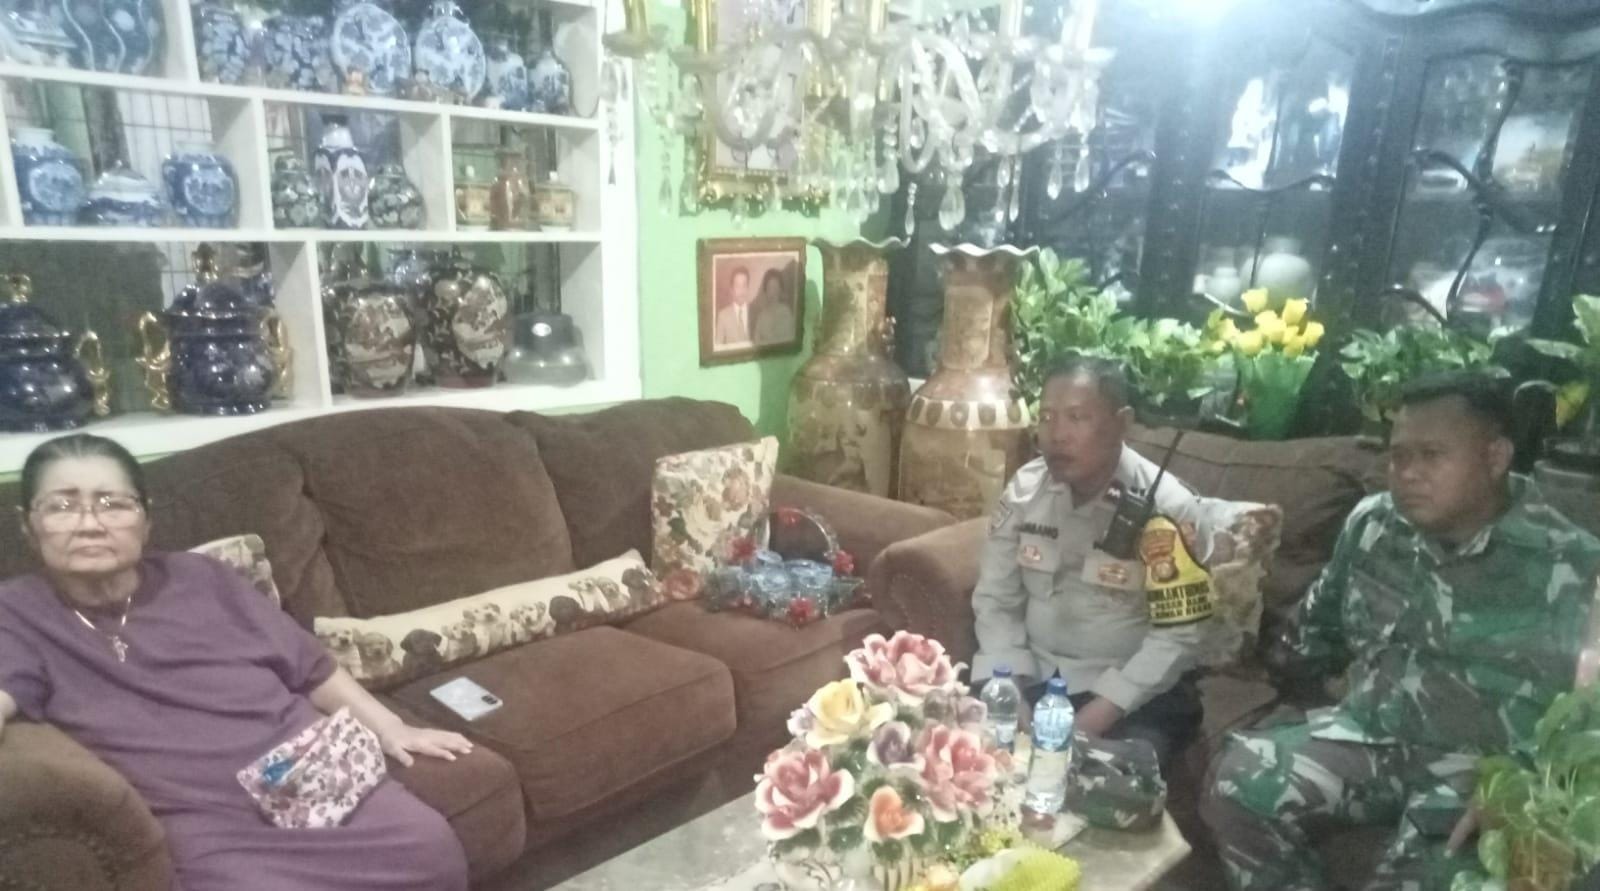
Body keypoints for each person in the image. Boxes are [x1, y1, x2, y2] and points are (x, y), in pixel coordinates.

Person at [0, 434, 473, 891]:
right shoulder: (16, 612)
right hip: (199, 812)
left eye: (113, 504)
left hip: (304, 770)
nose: (89, 523)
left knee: (429, 849)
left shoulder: (201, 578)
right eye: (61, 506)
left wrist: (392, 728)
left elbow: (311, 668)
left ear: (145, 521)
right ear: (27, 525)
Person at [1202, 372, 1600, 891]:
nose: (1407, 474)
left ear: (1495, 457)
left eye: (1431, 456)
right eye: (1398, 456)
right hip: (1371, 736)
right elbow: (1314, 635)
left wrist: (1516, 789)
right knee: (1238, 782)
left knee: (1429, 871)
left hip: (1484, 768)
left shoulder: (1573, 565)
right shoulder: (1374, 526)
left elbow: (1587, 724)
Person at [972, 356, 1238, 771]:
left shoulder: (1169, 510)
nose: (1056, 435)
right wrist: (1010, 692)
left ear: (1122, 423)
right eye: (1047, 417)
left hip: (1129, 697)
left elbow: (1179, 636)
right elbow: (996, 599)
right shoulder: (1026, 491)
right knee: (944, 748)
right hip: (1030, 677)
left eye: (1077, 417)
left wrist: (1090, 720)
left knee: (1108, 781)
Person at [752, 268, 795, 345]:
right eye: (769, 288)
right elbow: (756, 342)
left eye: (775, 287)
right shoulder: (761, 315)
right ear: (766, 290)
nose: (772, 292)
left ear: (780, 289)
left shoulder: (785, 312)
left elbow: (786, 341)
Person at [715, 266, 755, 346]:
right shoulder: (723, 316)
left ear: (748, 288)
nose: (741, 290)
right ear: (732, 289)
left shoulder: (755, 312)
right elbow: (718, 346)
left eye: (744, 285)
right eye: (737, 286)